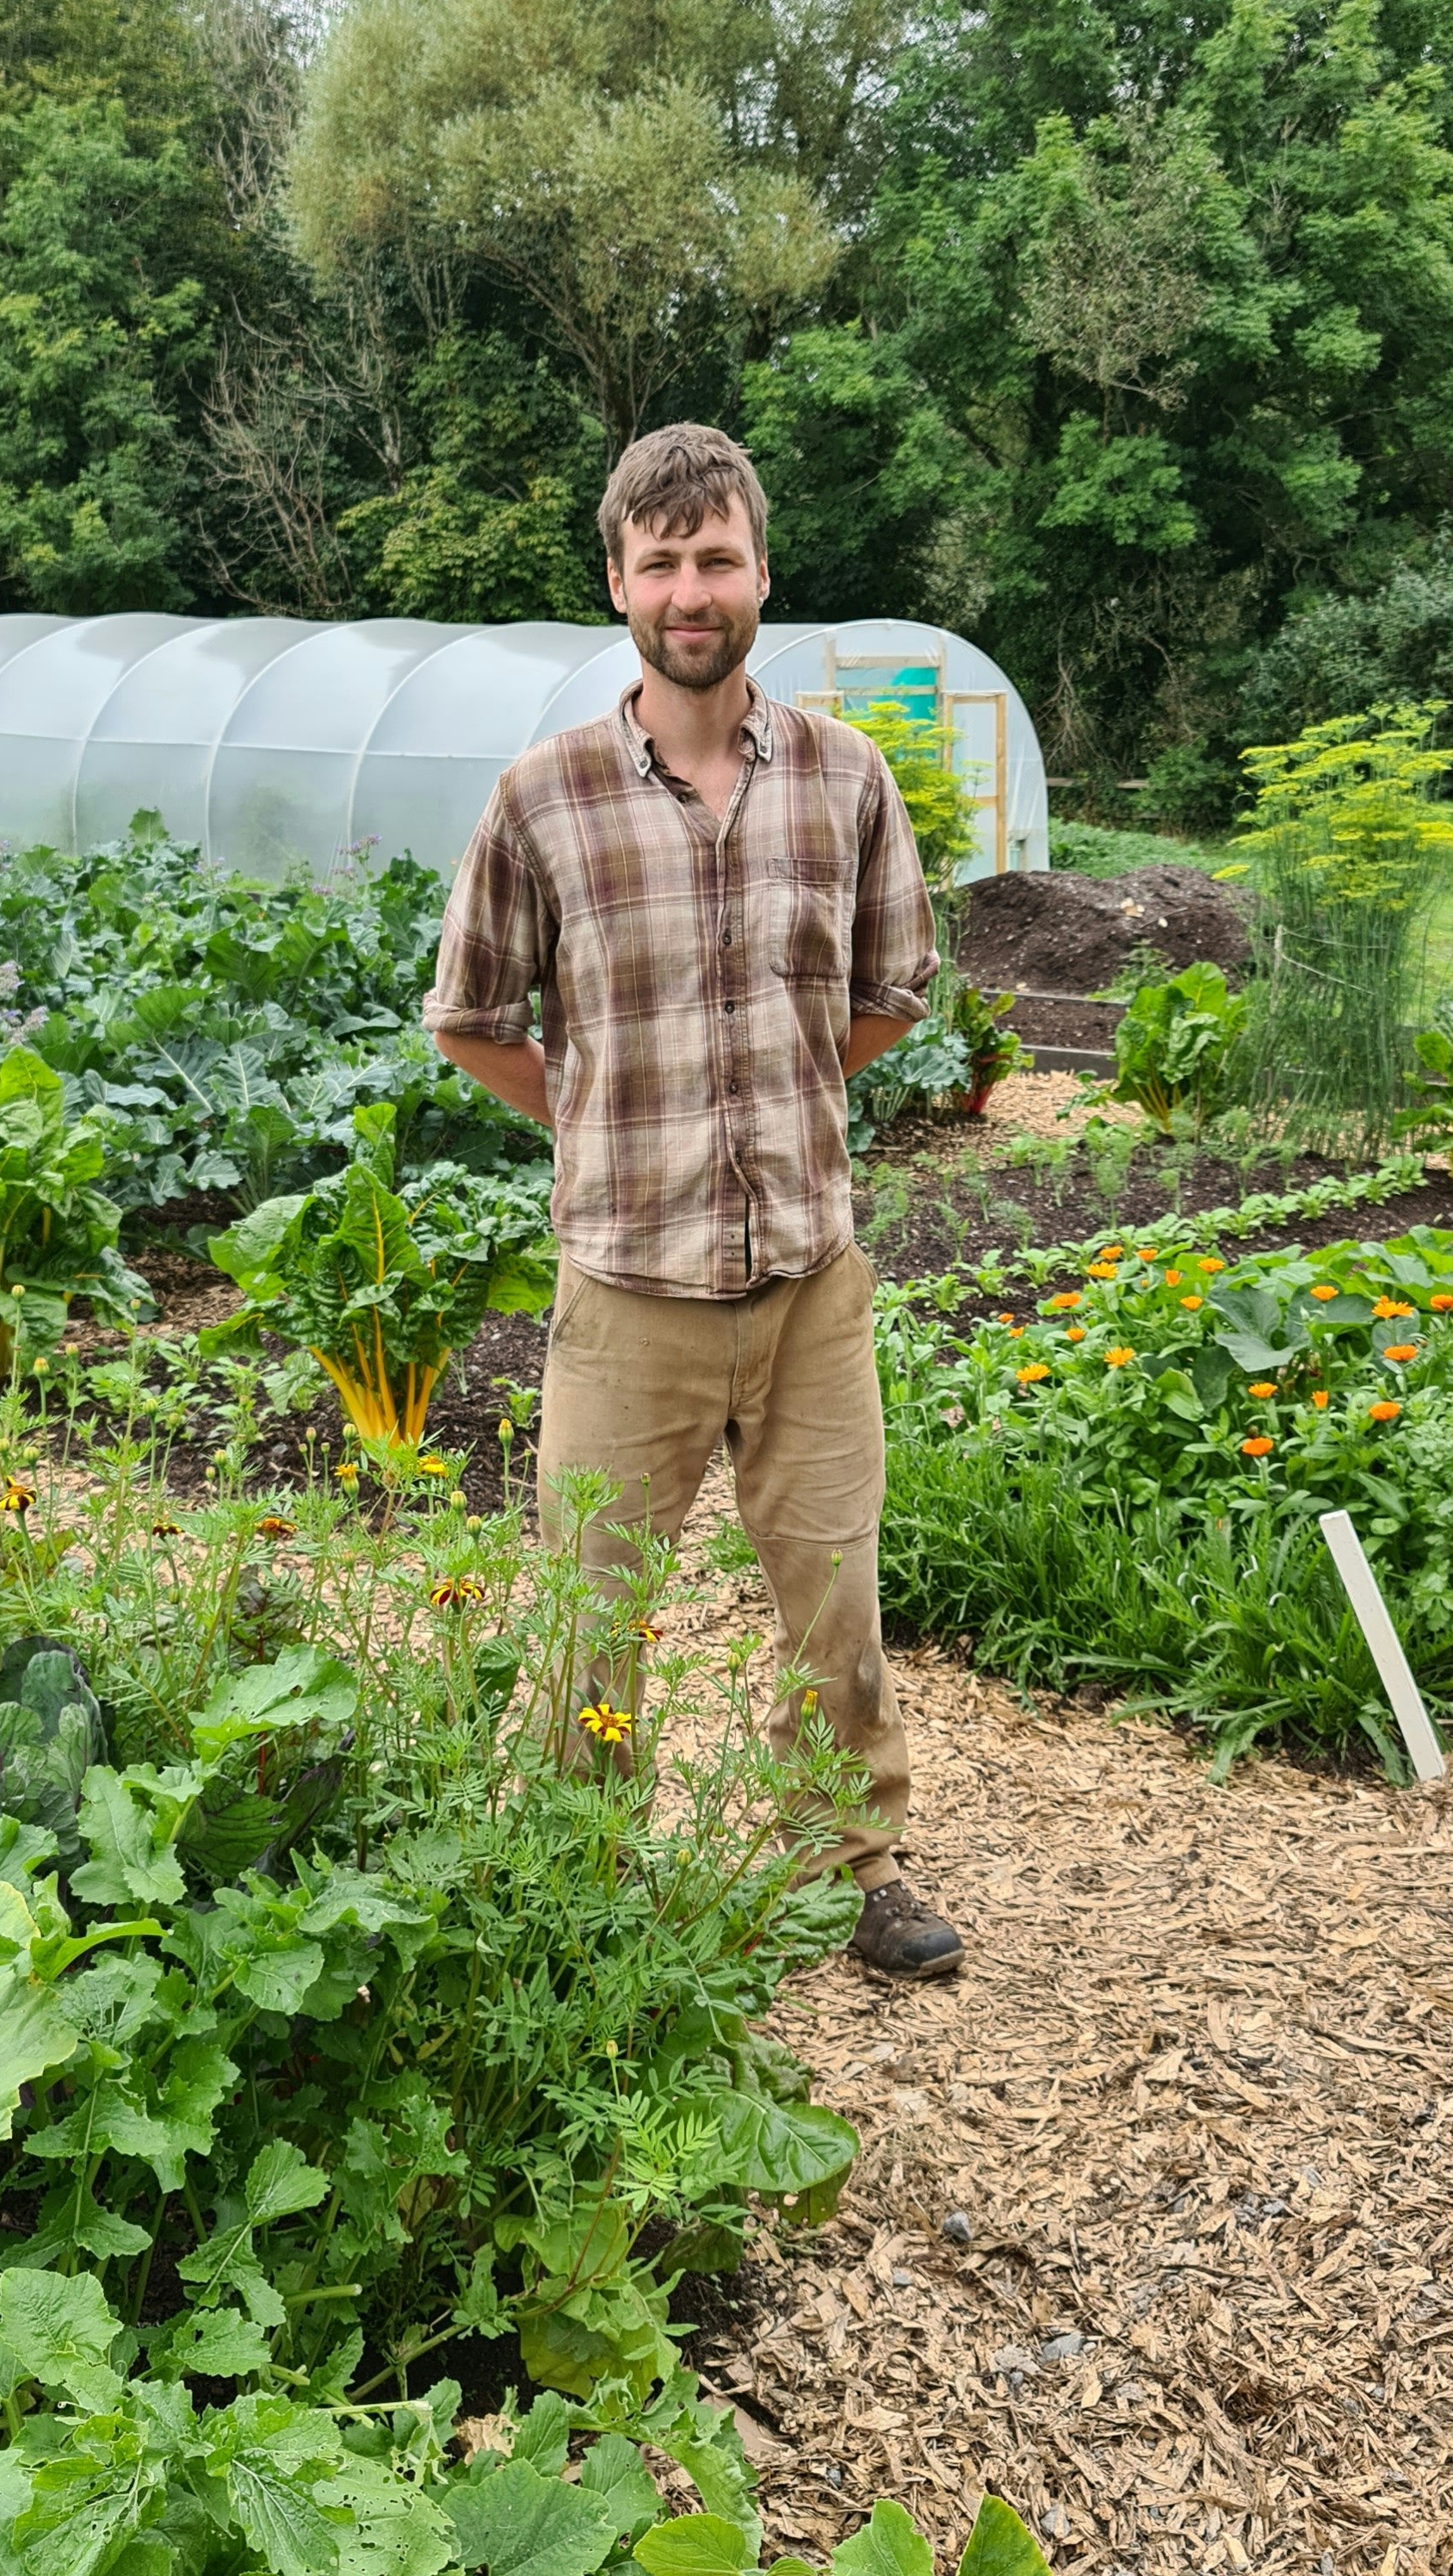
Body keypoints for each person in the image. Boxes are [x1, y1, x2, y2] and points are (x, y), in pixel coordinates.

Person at [423, 421, 965, 1980]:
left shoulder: (847, 780)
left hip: (807, 1283)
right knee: (592, 1610)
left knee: (834, 1596)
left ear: (760, 574)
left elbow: (893, 990)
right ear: (618, 582)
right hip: (627, 1292)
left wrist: (783, 1096)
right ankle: (582, 1869)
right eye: (660, 563)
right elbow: (472, 1016)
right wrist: (598, 1115)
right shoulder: (544, 798)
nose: (690, 591)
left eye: (715, 559)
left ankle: (853, 1863)